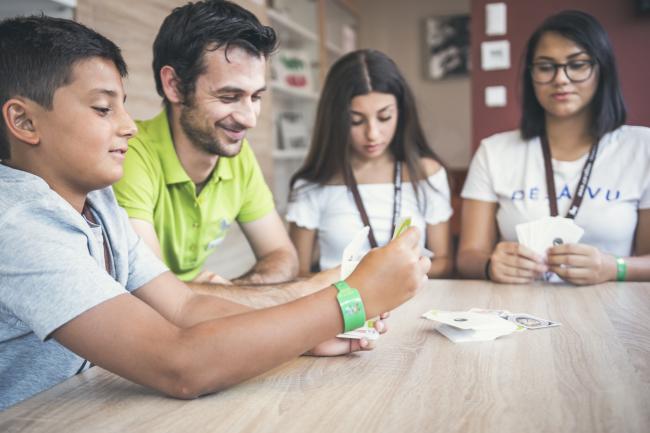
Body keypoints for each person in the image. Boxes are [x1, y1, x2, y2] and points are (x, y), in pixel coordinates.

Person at [0, 15, 431, 410]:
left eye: (124, 105)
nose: (128, 124)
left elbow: (187, 307)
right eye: (103, 108)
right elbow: (178, 363)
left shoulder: (99, 203)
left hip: (82, 408)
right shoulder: (18, 223)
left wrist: (307, 335)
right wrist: (352, 299)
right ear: (24, 121)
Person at [112, 0, 297, 286]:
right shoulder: (130, 155)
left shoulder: (237, 153)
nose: (249, 119)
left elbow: (282, 256)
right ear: (174, 85)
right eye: (228, 97)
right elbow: (151, 292)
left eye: (256, 97)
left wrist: (232, 291)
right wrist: (211, 295)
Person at [457, 10, 650, 284]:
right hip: (515, 313)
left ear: (601, 69)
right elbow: (468, 256)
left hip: (612, 314)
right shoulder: (493, 151)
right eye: (546, 67)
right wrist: (490, 265)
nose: (560, 78)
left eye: (577, 64)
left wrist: (613, 267)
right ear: (531, 75)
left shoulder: (642, 148)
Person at [287, 49, 453, 278]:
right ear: (336, 119)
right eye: (356, 121)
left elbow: (443, 261)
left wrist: (403, 272)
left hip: (410, 301)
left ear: (401, 113)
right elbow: (298, 274)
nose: (373, 134)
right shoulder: (312, 184)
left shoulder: (426, 174)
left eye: (385, 117)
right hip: (340, 305)